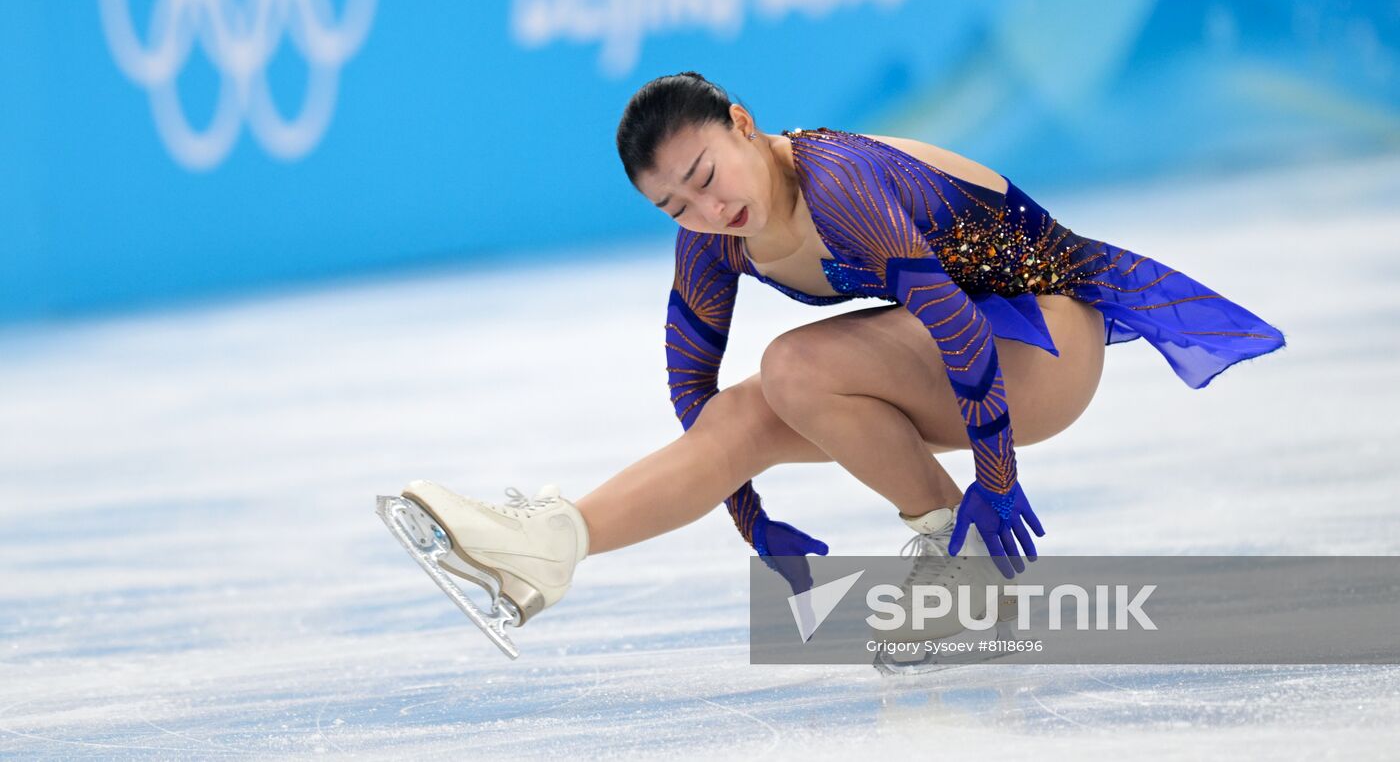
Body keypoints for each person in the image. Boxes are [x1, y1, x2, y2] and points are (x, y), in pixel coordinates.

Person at [396, 71, 1286, 631]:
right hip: (961, 347)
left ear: (743, 124)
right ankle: (555, 543)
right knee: (748, 413)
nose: (706, 211)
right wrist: (752, 520)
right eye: (677, 208)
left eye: (706, 176)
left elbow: (961, 327)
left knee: (792, 367)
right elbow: (694, 393)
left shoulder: (841, 186)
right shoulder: (716, 238)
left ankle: (961, 565)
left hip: (1044, 336)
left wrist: (996, 482)